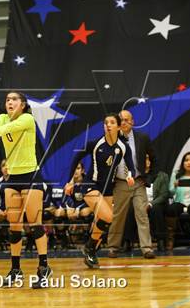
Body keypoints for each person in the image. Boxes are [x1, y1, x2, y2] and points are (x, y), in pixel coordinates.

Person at [0, 91, 52, 288]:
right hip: (12, 178)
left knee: (35, 224)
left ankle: (44, 267)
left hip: (31, 176)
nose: (10, 102)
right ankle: (15, 269)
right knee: (14, 227)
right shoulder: (1, 118)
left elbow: (6, 128)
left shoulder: (27, 119)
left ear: (23, 104)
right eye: (7, 100)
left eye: (14, 99)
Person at [66, 113, 135, 268]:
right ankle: (90, 247)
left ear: (118, 127)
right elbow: (76, 157)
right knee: (109, 217)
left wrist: (130, 176)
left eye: (112, 122)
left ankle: (91, 251)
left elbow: (131, 166)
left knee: (103, 221)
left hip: (108, 187)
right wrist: (69, 181)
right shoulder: (95, 143)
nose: (108, 125)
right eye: (105, 123)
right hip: (90, 184)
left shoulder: (123, 147)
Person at [108, 110, 157, 259]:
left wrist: (148, 178)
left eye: (126, 120)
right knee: (117, 216)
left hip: (138, 182)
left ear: (132, 122)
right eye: (120, 120)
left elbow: (155, 159)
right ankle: (112, 247)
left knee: (142, 214)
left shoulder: (142, 138)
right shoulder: (111, 139)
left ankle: (147, 248)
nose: (123, 122)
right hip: (121, 183)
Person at [145, 155, 169, 252]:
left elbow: (164, 195)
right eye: (144, 158)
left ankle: (161, 241)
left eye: (148, 158)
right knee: (129, 209)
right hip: (140, 203)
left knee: (156, 209)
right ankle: (127, 242)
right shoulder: (137, 176)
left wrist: (150, 204)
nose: (146, 161)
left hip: (157, 203)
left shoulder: (162, 176)